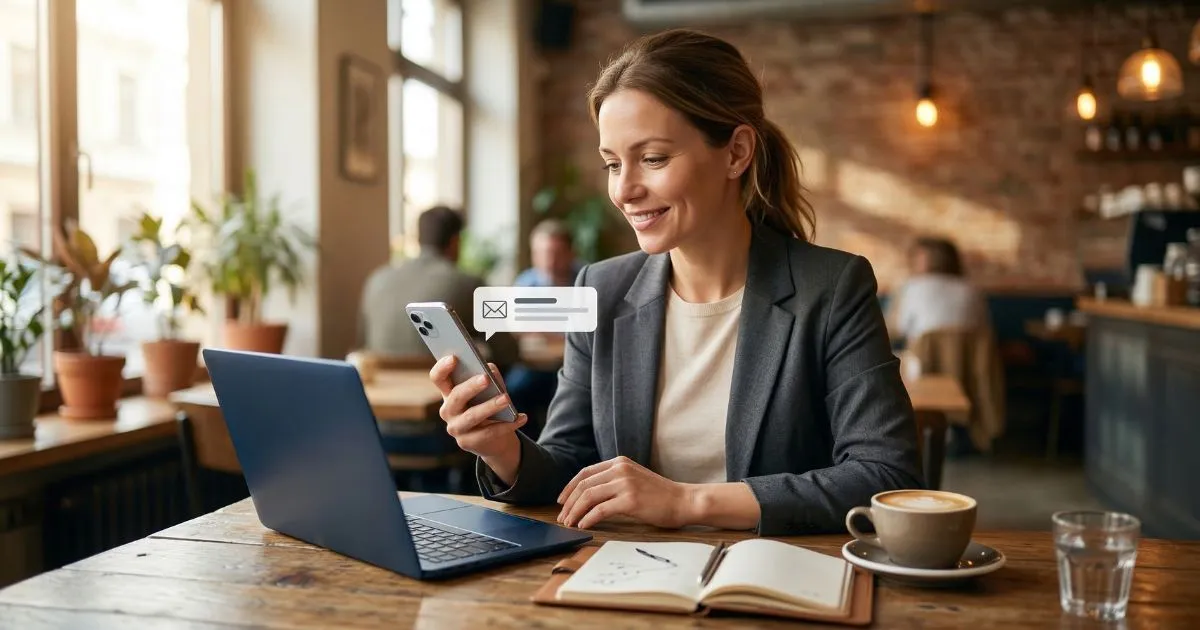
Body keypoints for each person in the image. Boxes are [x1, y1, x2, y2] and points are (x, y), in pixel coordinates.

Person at [429, 30, 922, 536]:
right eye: (613, 164)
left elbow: (885, 476)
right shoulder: (599, 289)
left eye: (654, 158)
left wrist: (686, 503)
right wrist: (503, 450)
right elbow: (571, 464)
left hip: (773, 581)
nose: (624, 190)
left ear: (736, 153)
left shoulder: (832, 286)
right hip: (630, 580)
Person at [359, 206, 517, 370]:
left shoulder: (376, 280)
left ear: (418, 239)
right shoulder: (472, 285)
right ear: (456, 241)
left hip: (382, 390)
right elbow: (508, 352)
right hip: (446, 391)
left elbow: (362, 344)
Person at [886, 237, 989, 347]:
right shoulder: (973, 289)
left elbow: (897, 330)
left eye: (917, 260)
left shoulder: (911, 287)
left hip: (922, 361)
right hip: (969, 361)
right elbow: (984, 330)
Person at [513, 219, 583, 288]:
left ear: (571, 253)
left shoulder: (587, 279)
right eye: (542, 255)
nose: (551, 262)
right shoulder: (525, 286)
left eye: (557, 254)